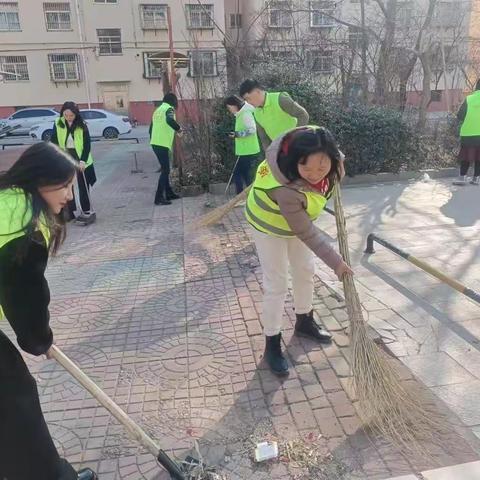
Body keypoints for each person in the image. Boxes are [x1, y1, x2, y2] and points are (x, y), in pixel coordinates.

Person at [0, 142, 98, 480]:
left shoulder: (8, 198)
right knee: (16, 403)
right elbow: (24, 296)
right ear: (40, 181)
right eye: (64, 185)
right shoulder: (21, 224)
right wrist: (38, 339)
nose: (70, 195)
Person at [245, 126, 353, 376]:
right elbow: (308, 234)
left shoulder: (329, 159)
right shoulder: (286, 190)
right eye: (307, 168)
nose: (315, 174)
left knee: (305, 270)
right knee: (277, 284)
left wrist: (335, 168)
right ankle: (272, 342)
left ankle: (304, 320)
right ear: (294, 163)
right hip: (268, 224)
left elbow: (333, 163)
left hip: (296, 222)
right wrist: (337, 262)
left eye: (322, 167)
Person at [51, 101, 97, 222]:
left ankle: (86, 210)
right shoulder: (58, 123)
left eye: (71, 115)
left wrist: (83, 161)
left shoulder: (82, 125)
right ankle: (71, 212)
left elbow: (87, 144)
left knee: (83, 184)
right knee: (67, 185)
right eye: (66, 115)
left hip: (80, 156)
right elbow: (54, 141)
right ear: (62, 114)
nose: (69, 118)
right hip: (65, 155)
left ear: (76, 114)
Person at [239, 79, 309, 151]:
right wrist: (269, 153)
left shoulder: (280, 99)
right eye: (246, 100)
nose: (248, 102)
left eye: (248, 98)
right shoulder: (256, 113)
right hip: (283, 151)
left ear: (257, 91)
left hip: (300, 145)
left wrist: (295, 138)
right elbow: (264, 138)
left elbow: (303, 115)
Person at [149, 92, 182, 205]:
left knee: (165, 169)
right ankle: (158, 198)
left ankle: (169, 193)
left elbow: (151, 128)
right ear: (173, 101)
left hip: (155, 143)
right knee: (166, 170)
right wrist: (179, 129)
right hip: (162, 144)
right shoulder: (169, 109)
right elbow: (169, 120)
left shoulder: (157, 110)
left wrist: (153, 140)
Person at [225, 95, 261, 194]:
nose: (229, 110)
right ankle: (248, 195)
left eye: (229, 107)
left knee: (238, 173)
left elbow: (252, 130)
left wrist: (237, 134)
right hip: (245, 149)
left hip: (248, 150)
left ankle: (240, 196)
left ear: (234, 105)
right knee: (245, 174)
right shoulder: (241, 114)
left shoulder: (245, 114)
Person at [454, 79, 480, 186]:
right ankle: (476, 178)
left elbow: (460, 116)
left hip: (468, 133)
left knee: (466, 156)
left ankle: (462, 177)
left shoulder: (469, 99)